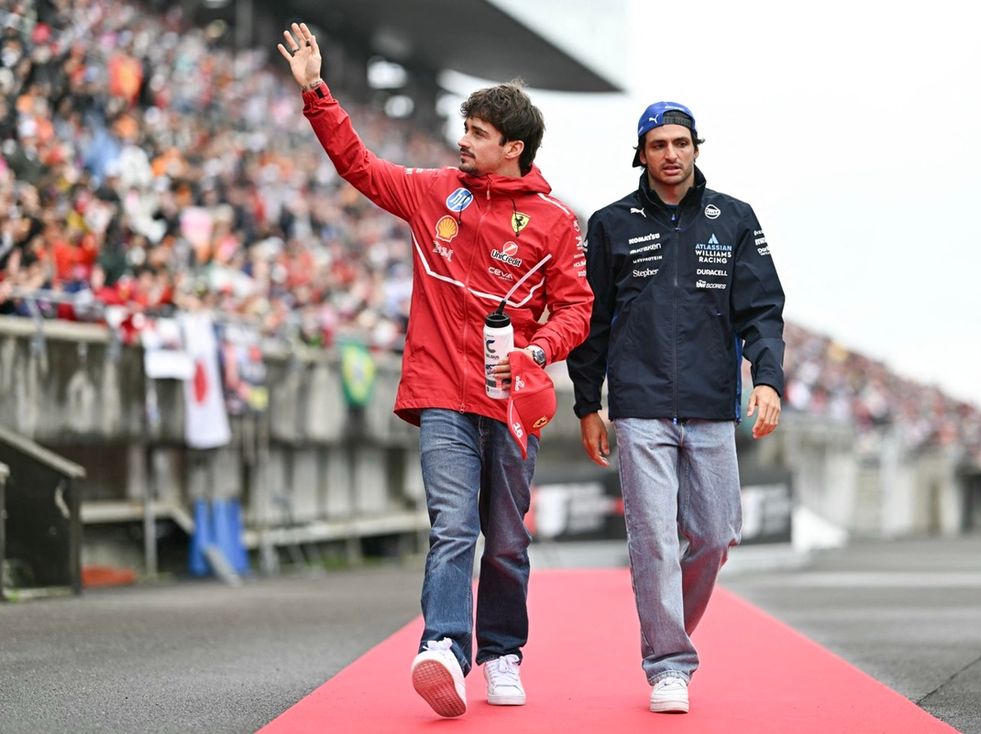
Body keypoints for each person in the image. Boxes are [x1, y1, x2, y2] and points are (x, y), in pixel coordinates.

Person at [278, 23, 592, 718]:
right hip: (441, 394)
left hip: (512, 404)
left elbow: (577, 310)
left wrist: (537, 351)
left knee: (506, 538)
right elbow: (359, 165)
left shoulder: (556, 223)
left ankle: (503, 651)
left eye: (478, 133)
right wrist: (316, 93)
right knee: (453, 526)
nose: (463, 141)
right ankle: (445, 646)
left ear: (513, 148)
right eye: (465, 128)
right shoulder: (433, 193)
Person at [566, 101, 785, 714]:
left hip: (714, 405)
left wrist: (765, 381)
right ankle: (668, 664)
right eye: (658, 144)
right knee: (655, 540)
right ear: (641, 152)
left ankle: (667, 631)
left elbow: (763, 310)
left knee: (714, 536)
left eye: (681, 143)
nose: (670, 154)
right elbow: (591, 321)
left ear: (696, 148)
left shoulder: (734, 219)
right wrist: (588, 403)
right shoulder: (610, 224)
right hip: (638, 406)